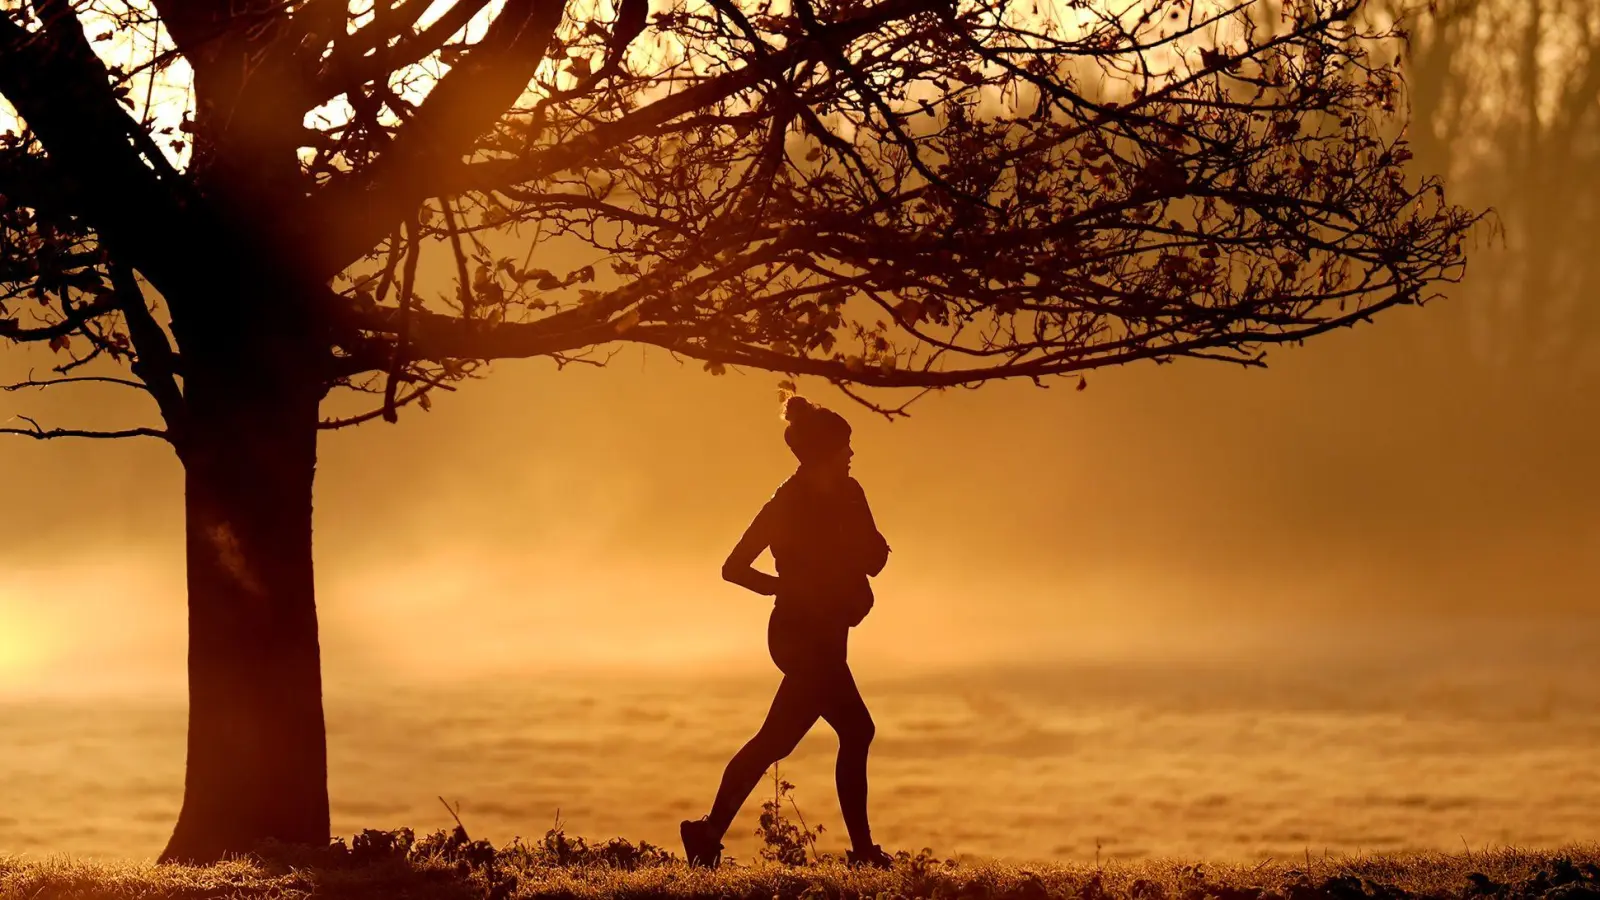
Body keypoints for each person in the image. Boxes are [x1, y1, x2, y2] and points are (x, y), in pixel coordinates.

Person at [680, 394, 895, 869]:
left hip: (829, 635)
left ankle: (707, 832)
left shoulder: (851, 493)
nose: (853, 456)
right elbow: (734, 568)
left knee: (775, 741)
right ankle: (862, 854)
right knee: (857, 730)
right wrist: (788, 587)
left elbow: (875, 558)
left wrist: (857, 555)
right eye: (846, 448)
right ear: (825, 454)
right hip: (799, 636)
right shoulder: (785, 504)